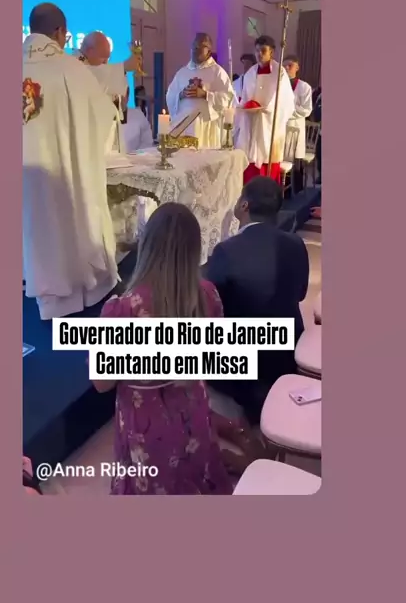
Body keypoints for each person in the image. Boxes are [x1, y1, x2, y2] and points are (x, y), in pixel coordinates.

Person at [94, 203, 232, 495]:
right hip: (193, 411)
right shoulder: (208, 294)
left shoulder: (121, 311)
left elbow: (102, 384)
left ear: (147, 245)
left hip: (145, 428)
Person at [23, 3, 119, 319]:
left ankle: (38, 285)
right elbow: (102, 118)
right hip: (60, 174)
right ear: (59, 32)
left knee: (34, 224)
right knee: (68, 219)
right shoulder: (71, 69)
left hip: (25, 178)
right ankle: (78, 289)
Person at [204, 177, 309, 424]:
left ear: (244, 205)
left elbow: (212, 308)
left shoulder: (226, 250)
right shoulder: (296, 243)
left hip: (241, 366)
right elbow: (301, 294)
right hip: (287, 353)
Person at [234, 35, 295, 185]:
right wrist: (246, 106)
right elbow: (245, 96)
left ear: (271, 52)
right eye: (257, 51)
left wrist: (265, 109)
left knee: (268, 162)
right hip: (251, 123)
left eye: (263, 50)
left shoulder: (280, 73)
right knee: (250, 164)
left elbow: (285, 101)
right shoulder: (250, 73)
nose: (259, 54)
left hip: (270, 125)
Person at [166, 33, 234, 148]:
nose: (195, 50)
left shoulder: (218, 72)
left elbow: (228, 98)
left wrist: (205, 95)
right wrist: (181, 95)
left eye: (200, 46)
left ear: (209, 51)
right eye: (193, 46)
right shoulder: (182, 73)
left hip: (207, 126)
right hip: (184, 127)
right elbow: (170, 96)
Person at [283, 54, 313, 192]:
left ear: (297, 67)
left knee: (295, 163)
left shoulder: (304, 87)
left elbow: (306, 110)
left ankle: (298, 192)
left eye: (290, 65)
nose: (286, 68)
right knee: (281, 162)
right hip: (281, 128)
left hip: (295, 127)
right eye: (284, 66)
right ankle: (283, 191)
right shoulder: (278, 86)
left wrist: (288, 111)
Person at [120, 87, 154, 152]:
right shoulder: (103, 118)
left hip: (135, 157)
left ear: (127, 97)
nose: (120, 100)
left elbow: (147, 142)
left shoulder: (138, 115)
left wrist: (136, 154)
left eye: (122, 95)